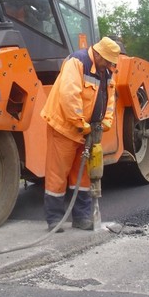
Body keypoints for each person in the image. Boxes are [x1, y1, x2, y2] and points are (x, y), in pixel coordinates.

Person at [40, 37, 121, 232]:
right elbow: (69, 96)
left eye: (112, 63)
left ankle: (82, 217)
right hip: (65, 128)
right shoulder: (77, 62)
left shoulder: (107, 72)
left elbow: (109, 98)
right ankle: (54, 220)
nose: (110, 66)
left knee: (83, 174)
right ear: (99, 54)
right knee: (58, 174)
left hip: (87, 130)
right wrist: (81, 124)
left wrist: (105, 122)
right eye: (108, 61)